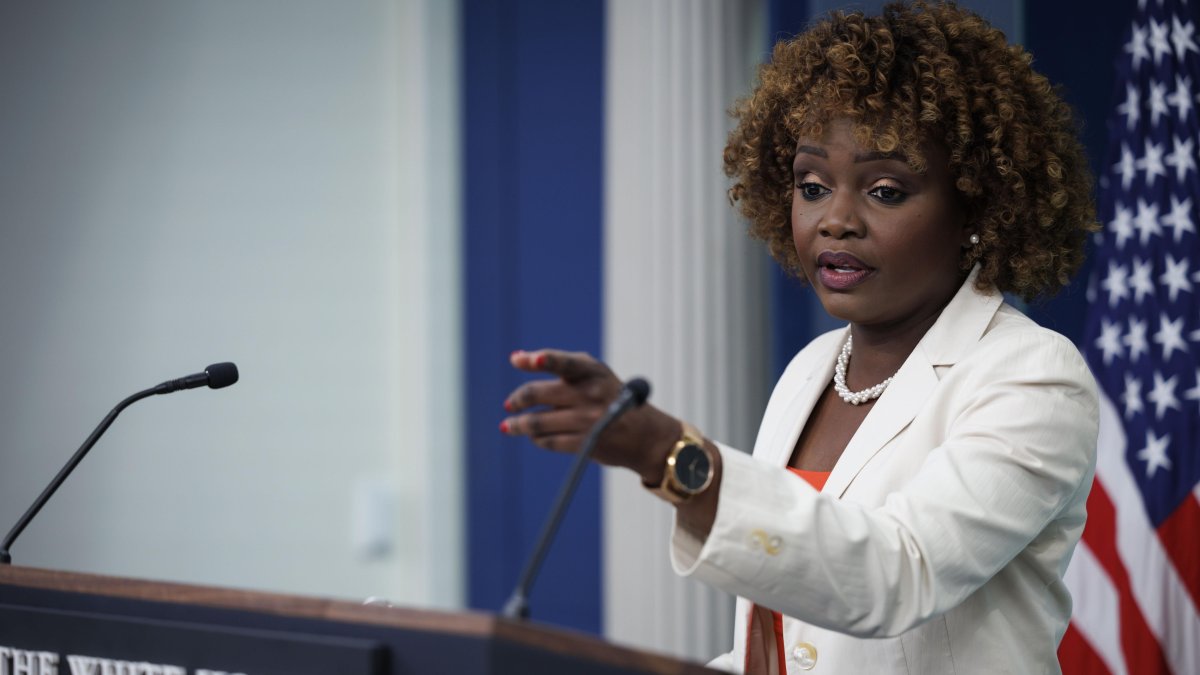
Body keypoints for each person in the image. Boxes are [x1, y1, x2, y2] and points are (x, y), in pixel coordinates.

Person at [499, 1, 1099, 672]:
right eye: (813, 185)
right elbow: (785, 645)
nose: (835, 219)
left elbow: (896, 575)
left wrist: (670, 454)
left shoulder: (1031, 375)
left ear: (977, 210)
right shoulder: (811, 370)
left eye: (886, 190)